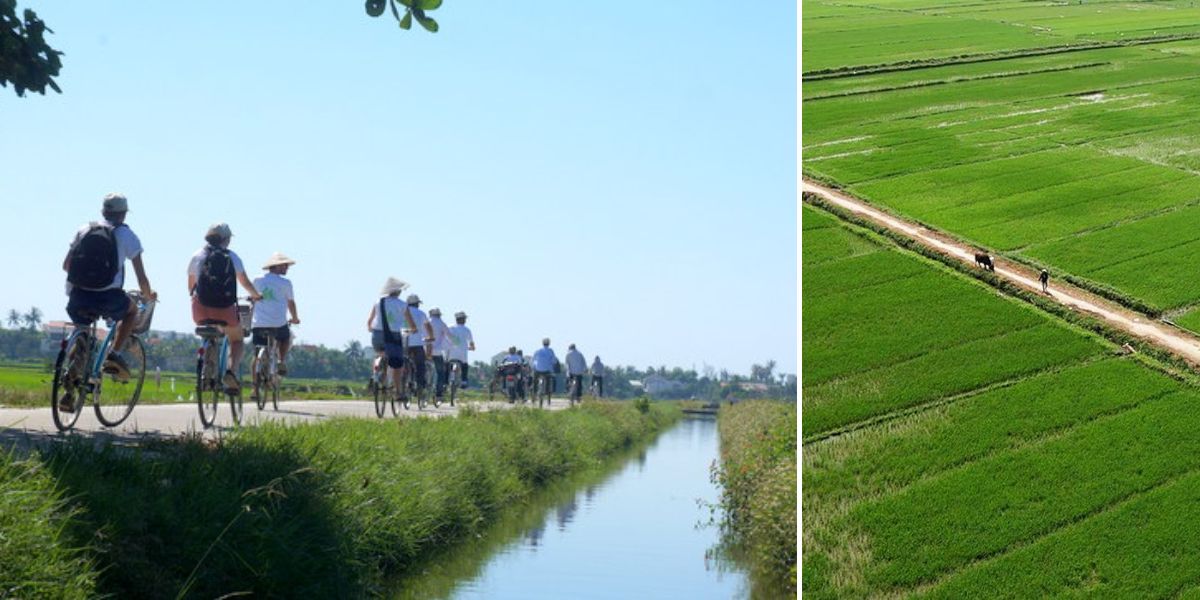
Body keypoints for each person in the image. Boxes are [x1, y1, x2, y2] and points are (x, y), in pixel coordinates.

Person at [62, 193, 157, 394]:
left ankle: (69, 389)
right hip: (108, 297)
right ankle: (114, 353)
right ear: (123, 214)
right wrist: (148, 296)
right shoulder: (127, 235)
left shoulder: (85, 229)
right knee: (130, 312)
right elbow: (141, 277)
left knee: (82, 335)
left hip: (77, 296)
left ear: (103, 211)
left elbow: (66, 266)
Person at [188, 223, 261, 391]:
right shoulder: (232, 257)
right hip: (225, 311)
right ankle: (231, 371)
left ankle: (207, 365)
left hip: (200, 311)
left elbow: (191, 287)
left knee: (209, 329)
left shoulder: (197, 255)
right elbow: (245, 282)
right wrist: (256, 295)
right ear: (226, 240)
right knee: (237, 339)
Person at [251, 252, 300, 380]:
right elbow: (291, 303)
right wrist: (295, 318)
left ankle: (254, 389)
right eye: (284, 265)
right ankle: (281, 360)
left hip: (259, 324)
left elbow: (252, 299)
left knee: (256, 356)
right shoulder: (285, 283)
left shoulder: (257, 280)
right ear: (276, 266)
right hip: (278, 324)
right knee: (285, 337)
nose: (287, 268)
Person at [366, 277, 410, 398]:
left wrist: (371, 328)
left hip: (377, 335)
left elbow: (369, 321)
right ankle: (398, 392)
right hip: (393, 337)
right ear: (398, 291)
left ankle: (376, 374)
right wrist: (413, 329)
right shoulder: (402, 304)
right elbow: (411, 323)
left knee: (381, 354)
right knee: (397, 365)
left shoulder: (378, 302)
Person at [403, 294, 436, 395]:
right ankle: (420, 385)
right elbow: (428, 326)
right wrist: (431, 337)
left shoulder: (403, 312)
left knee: (401, 363)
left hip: (403, 343)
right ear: (417, 304)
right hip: (417, 343)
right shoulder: (421, 313)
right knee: (420, 365)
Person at [447, 311, 475, 388]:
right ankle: (464, 381)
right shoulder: (467, 330)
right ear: (463, 320)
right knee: (465, 366)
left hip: (450, 353)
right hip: (462, 355)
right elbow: (471, 343)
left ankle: (445, 382)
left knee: (446, 365)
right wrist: (472, 348)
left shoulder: (450, 327)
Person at [428, 307, 451, 400]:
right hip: (437, 352)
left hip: (426, 350)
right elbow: (449, 336)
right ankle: (438, 394)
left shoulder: (426, 321)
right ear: (439, 315)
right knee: (440, 372)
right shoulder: (442, 323)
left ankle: (419, 389)